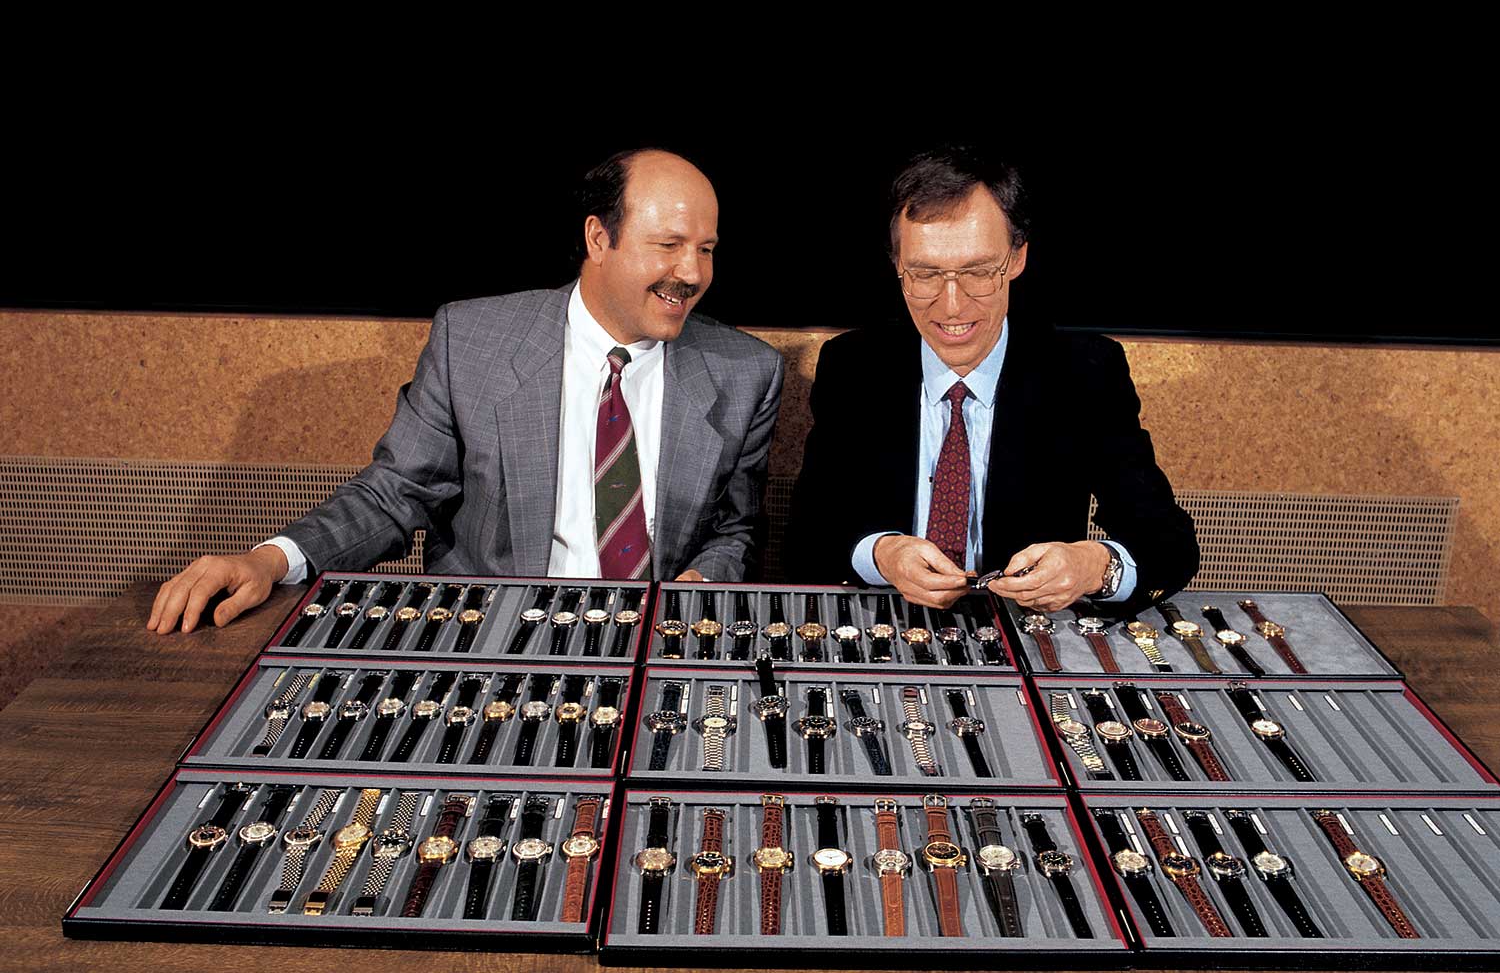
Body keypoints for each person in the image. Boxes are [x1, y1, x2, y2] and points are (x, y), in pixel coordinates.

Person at [150, 148, 784, 633]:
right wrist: (270, 561)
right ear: (599, 238)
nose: (692, 272)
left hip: (656, 641)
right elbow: (394, 495)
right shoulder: (472, 341)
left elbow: (737, 531)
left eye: (706, 249)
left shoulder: (746, 372)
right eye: (669, 245)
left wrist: (700, 586)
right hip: (492, 640)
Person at [787, 144, 1197, 612]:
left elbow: (1168, 543)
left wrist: (1093, 567)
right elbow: (806, 541)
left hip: (1027, 630)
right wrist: (882, 555)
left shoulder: (1084, 371)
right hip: (887, 625)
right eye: (924, 274)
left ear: (1017, 258)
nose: (952, 306)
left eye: (979, 272)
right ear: (897, 263)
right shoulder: (854, 366)